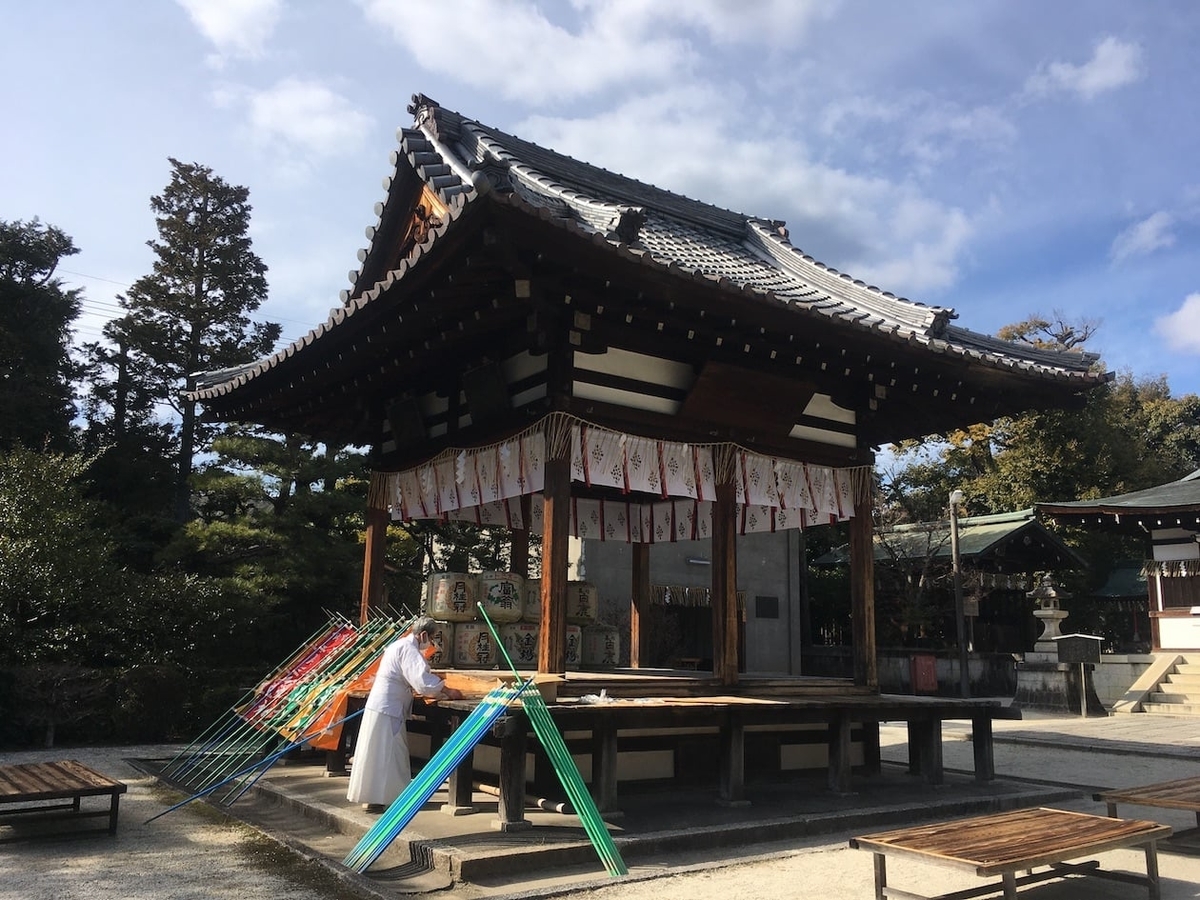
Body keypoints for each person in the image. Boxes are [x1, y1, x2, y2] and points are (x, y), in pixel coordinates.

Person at [346, 617, 463, 811]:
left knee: (376, 752)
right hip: (389, 706)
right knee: (390, 752)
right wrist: (447, 690)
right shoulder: (409, 649)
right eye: (431, 638)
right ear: (424, 635)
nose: (431, 643)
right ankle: (390, 798)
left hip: (383, 704)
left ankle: (375, 797)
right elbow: (422, 682)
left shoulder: (396, 645)